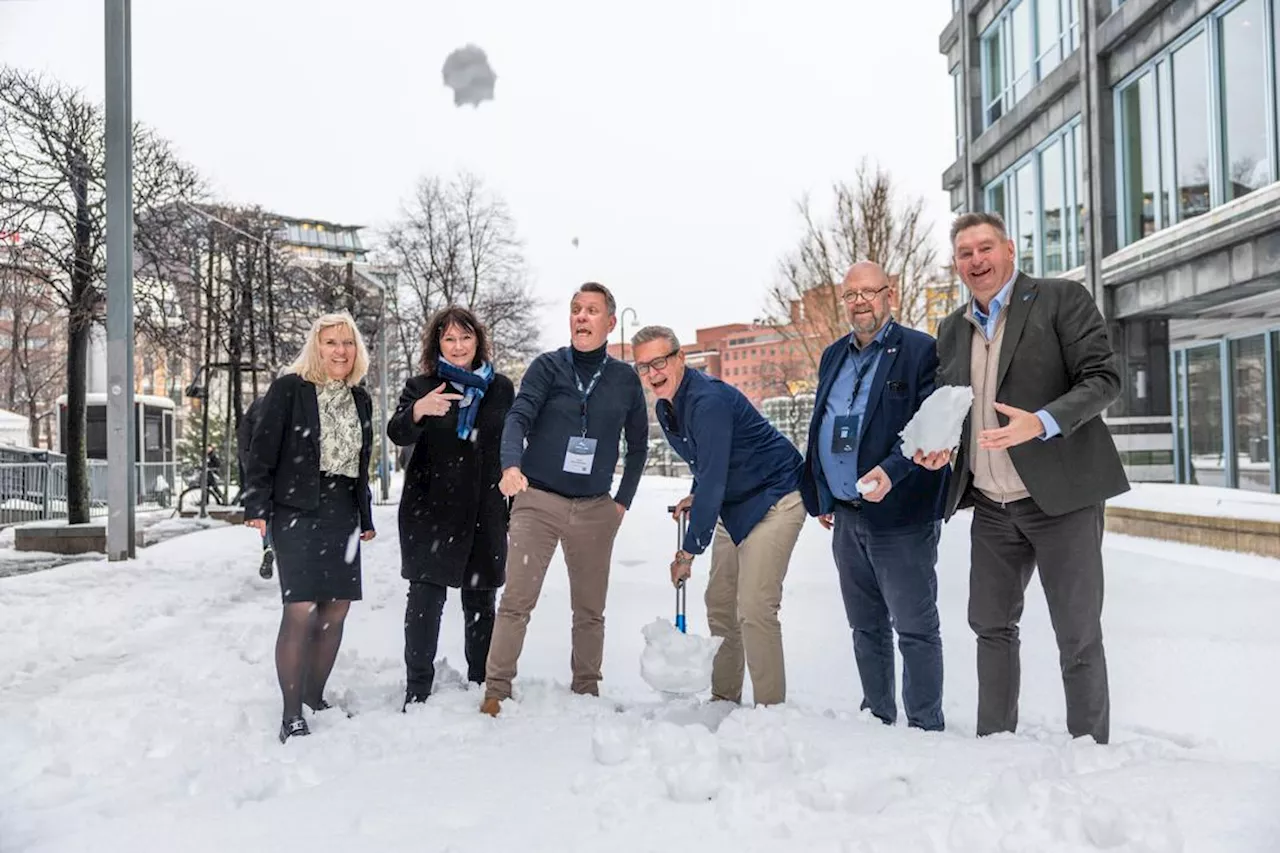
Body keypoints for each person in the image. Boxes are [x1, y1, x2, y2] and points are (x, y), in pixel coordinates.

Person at [916, 211, 1128, 744]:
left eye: (985, 248)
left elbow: (1104, 378)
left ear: (1009, 250)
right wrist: (941, 449)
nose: (976, 261)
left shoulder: (1061, 300)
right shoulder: (951, 329)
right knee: (990, 625)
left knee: (1077, 633)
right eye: (965, 254)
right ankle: (995, 742)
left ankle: (1089, 746)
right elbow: (953, 408)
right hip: (991, 504)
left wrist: (1043, 421)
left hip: (1061, 500)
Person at [481, 282, 648, 716]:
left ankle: (587, 690)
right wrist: (510, 466)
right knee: (517, 601)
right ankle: (496, 690)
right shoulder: (548, 367)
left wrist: (621, 502)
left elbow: (639, 446)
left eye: (591, 310)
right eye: (575, 309)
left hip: (596, 508)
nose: (581, 317)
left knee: (590, 610)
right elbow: (519, 417)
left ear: (610, 323)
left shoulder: (625, 379)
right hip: (538, 501)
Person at [800, 261, 949, 731]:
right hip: (847, 517)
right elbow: (824, 426)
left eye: (869, 292)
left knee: (915, 628)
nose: (860, 301)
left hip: (901, 516)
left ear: (891, 295)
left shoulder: (920, 351)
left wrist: (891, 470)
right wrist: (824, 492)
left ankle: (925, 723)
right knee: (864, 627)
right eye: (851, 295)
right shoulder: (833, 357)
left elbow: (930, 429)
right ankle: (877, 716)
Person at [632, 325, 806, 707]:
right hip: (734, 502)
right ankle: (724, 699)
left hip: (775, 498)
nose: (652, 373)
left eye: (659, 362)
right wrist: (697, 494)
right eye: (642, 367)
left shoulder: (707, 401)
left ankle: (769, 712)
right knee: (721, 603)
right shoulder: (668, 407)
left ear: (680, 358)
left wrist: (687, 553)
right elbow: (707, 464)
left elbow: (713, 478)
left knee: (755, 607)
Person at [243, 311, 377, 743]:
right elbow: (262, 449)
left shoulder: (361, 398)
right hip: (296, 508)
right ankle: (290, 713)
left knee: (336, 608)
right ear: (315, 347)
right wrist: (257, 504)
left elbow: (361, 464)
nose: (340, 351)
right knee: (300, 608)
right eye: (331, 342)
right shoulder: (290, 389)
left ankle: (314, 697)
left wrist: (366, 517)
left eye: (348, 343)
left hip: (342, 511)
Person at [387, 306, 515, 708]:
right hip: (430, 511)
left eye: (465, 337)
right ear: (437, 344)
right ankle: (417, 687)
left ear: (477, 341)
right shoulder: (422, 384)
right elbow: (396, 432)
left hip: (484, 507)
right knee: (425, 598)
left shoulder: (501, 388)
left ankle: (481, 681)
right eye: (449, 339)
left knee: (481, 600)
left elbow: (512, 441)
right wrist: (419, 410)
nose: (458, 346)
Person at [237, 395, 274, 580]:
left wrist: (250, 465)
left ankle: (268, 546)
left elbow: (243, 437)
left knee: (266, 514)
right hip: (284, 472)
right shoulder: (295, 404)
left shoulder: (259, 404)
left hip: (260, 469)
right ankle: (280, 550)